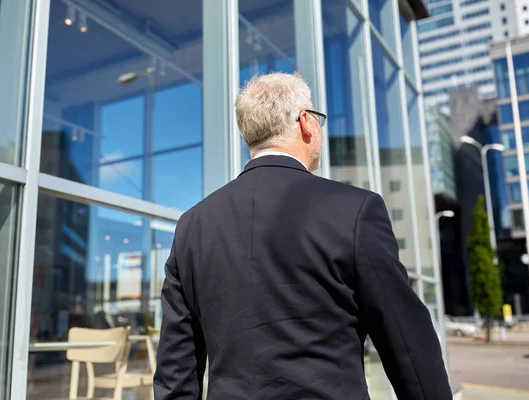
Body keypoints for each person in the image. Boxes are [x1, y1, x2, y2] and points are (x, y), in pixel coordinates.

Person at [154, 72, 452, 399]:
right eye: (318, 119)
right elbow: (406, 342)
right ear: (306, 122)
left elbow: (175, 368)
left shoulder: (193, 225)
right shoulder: (355, 210)